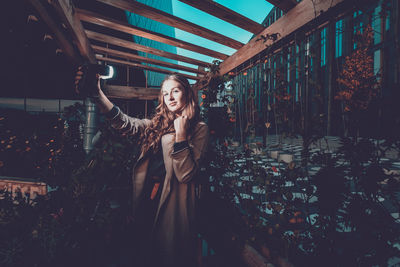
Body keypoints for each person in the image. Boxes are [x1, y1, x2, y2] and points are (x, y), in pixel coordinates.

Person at [75, 69, 209, 267]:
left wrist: (181, 137)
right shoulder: (156, 125)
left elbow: (186, 174)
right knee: (144, 253)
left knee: (167, 257)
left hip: (173, 207)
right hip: (148, 198)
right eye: (165, 93)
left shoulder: (199, 129)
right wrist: (98, 95)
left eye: (176, 91)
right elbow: (125, 123)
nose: (170, 97)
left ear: (187, 93)